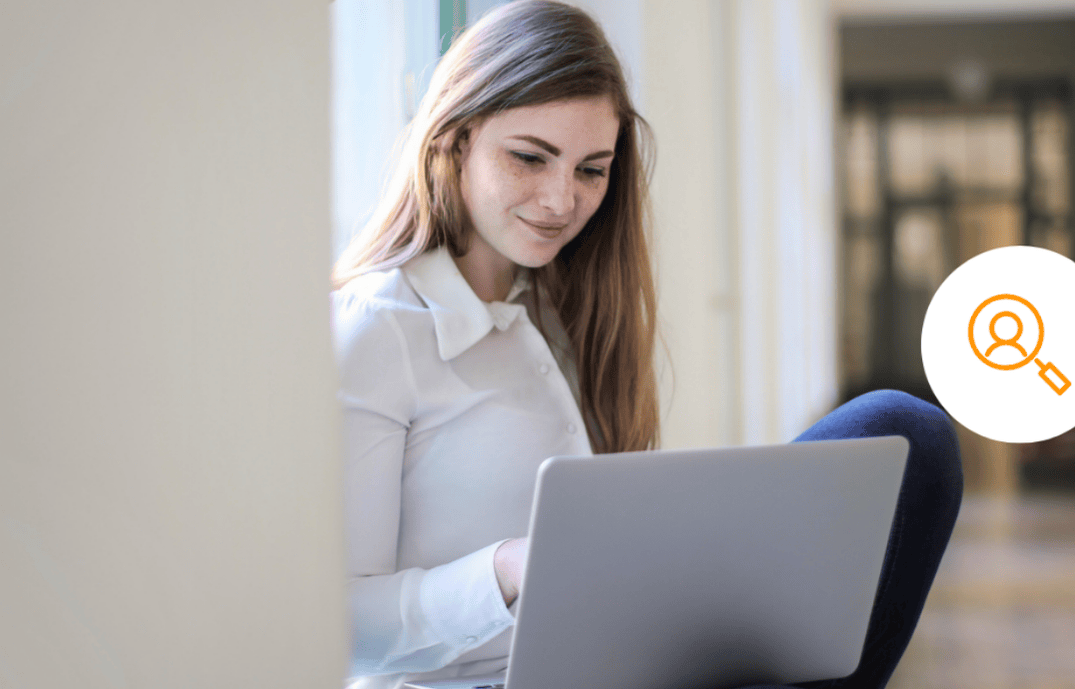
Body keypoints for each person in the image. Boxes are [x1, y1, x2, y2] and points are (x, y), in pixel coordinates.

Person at [330, 2, 962, 689]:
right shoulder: (376, 327)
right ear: (454, 142)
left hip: (617, 662)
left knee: (907, 436)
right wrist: (507, 568)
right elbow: (342, 628)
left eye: (590, 170)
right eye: (528, 158)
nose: (560, 200)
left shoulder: (558, 312)